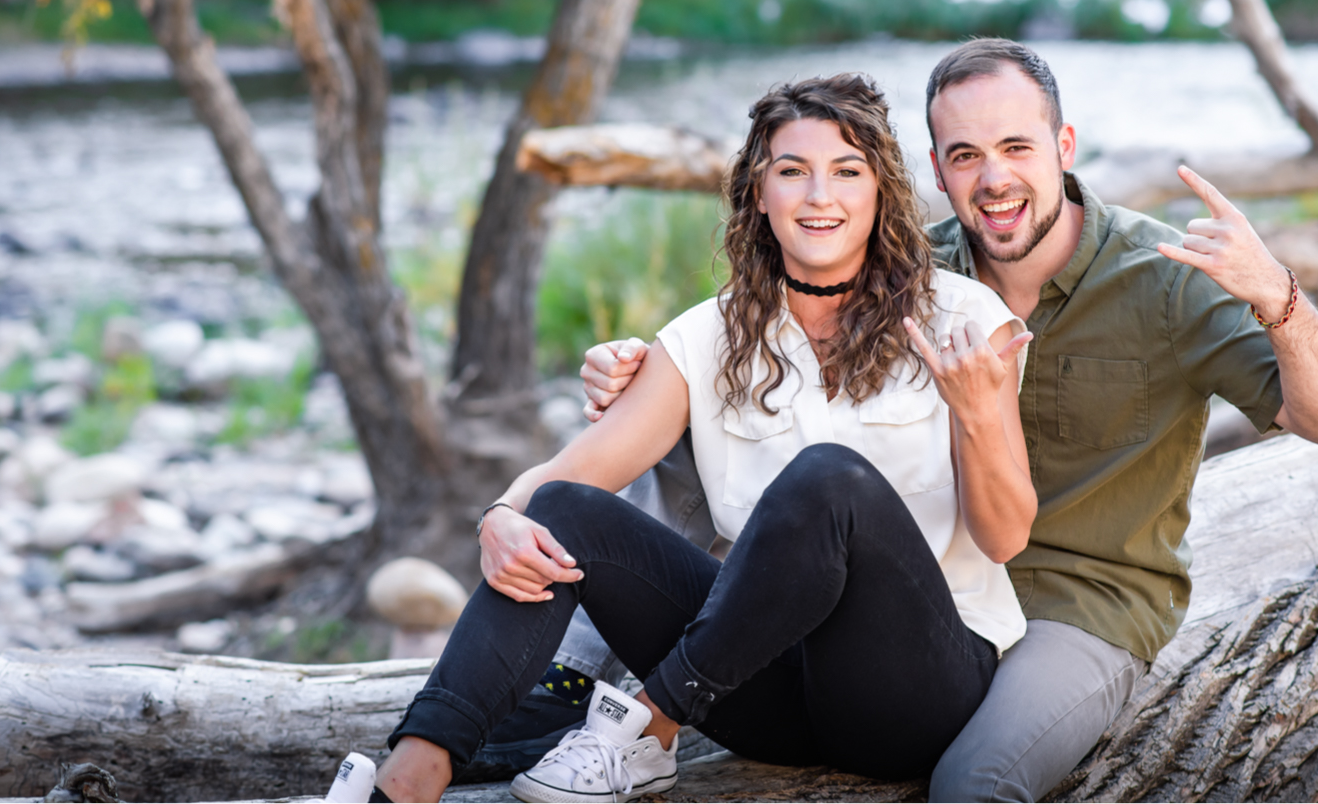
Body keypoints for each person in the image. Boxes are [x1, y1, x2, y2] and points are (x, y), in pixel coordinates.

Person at [576, 39, 1318, 802]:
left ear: (1063, 144)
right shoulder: (908, 274)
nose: (993, 178)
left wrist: (1278, 297)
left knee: (972, 784)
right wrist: (639, 374)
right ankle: (565, 685)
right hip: (925, 593)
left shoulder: (1164, 279)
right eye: (964, 156)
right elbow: (755, 374)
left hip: (1074, 605)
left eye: (1016, 147)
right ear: (934, 170)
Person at [361, 74, 1039, 804]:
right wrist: (499, 517)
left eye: (848, 172)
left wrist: (973, 411)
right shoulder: (703, 338)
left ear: (881, 193)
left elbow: (1004, 539)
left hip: (913, 692)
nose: (820, 197)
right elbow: (575, 474)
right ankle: (408, 780)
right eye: (792, 172)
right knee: (558, 509)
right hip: (759, 689)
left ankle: (646, 731)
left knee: (829, 479)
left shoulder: (965, 320)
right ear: (757, 191)